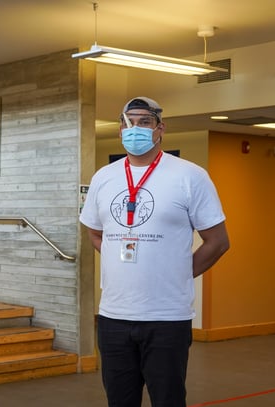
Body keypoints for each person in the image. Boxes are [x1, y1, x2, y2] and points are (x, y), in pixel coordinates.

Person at [79, 97, 230, 407]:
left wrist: (175, 271)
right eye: (128, 122)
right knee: (119, 401)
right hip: (113, 317)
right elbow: (95, 232)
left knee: (168, 400)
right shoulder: (103, 178)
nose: (135, 128)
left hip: (166, 318)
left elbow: (217, 241)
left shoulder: (190, 176)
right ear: (120, 129)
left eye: (144, 122)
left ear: (160, 129)